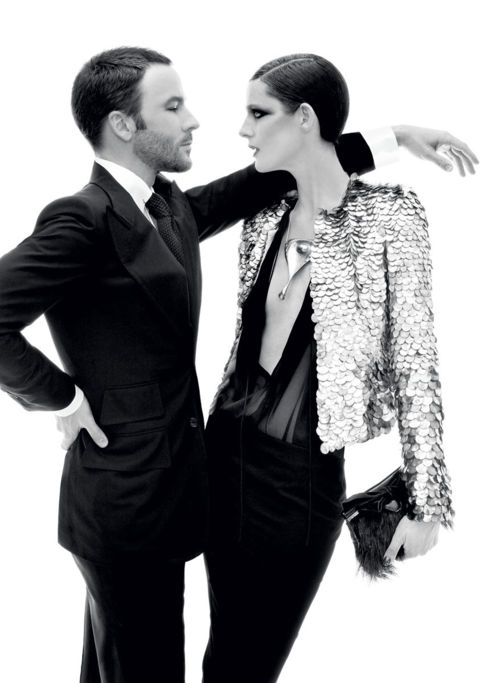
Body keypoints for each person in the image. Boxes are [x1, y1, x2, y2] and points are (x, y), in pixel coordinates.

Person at [0, 46, 476, 683]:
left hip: (195, 490)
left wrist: (397, 137)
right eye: (173, 107)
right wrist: (63, 398)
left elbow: (279, 172)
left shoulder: (169, 207)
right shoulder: (83, 219)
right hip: (128, 500)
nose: (196, 120)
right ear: (123, 125)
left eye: (255, 113)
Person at [202, 53, 460, 683]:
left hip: (300, 487)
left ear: (305, 118)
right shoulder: (263, 217)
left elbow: (416, 360)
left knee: (248, 667)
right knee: (221, 655)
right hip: (221, 463)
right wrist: (394, 136)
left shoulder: (391, 217)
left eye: (257, 113)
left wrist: (428, 500)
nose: (243, 130)